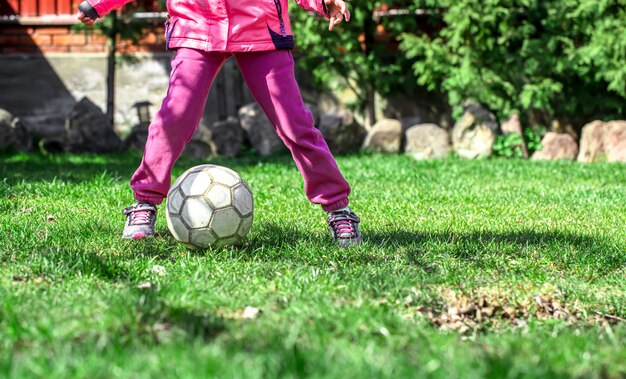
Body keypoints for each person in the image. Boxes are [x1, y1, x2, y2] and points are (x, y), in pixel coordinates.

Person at [77, 0, 362, 247]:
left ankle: (338, 209)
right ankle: (144, 203)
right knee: (174, 118)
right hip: (196, 27)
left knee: (295, 123)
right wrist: (100, 4)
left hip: (260, 27)